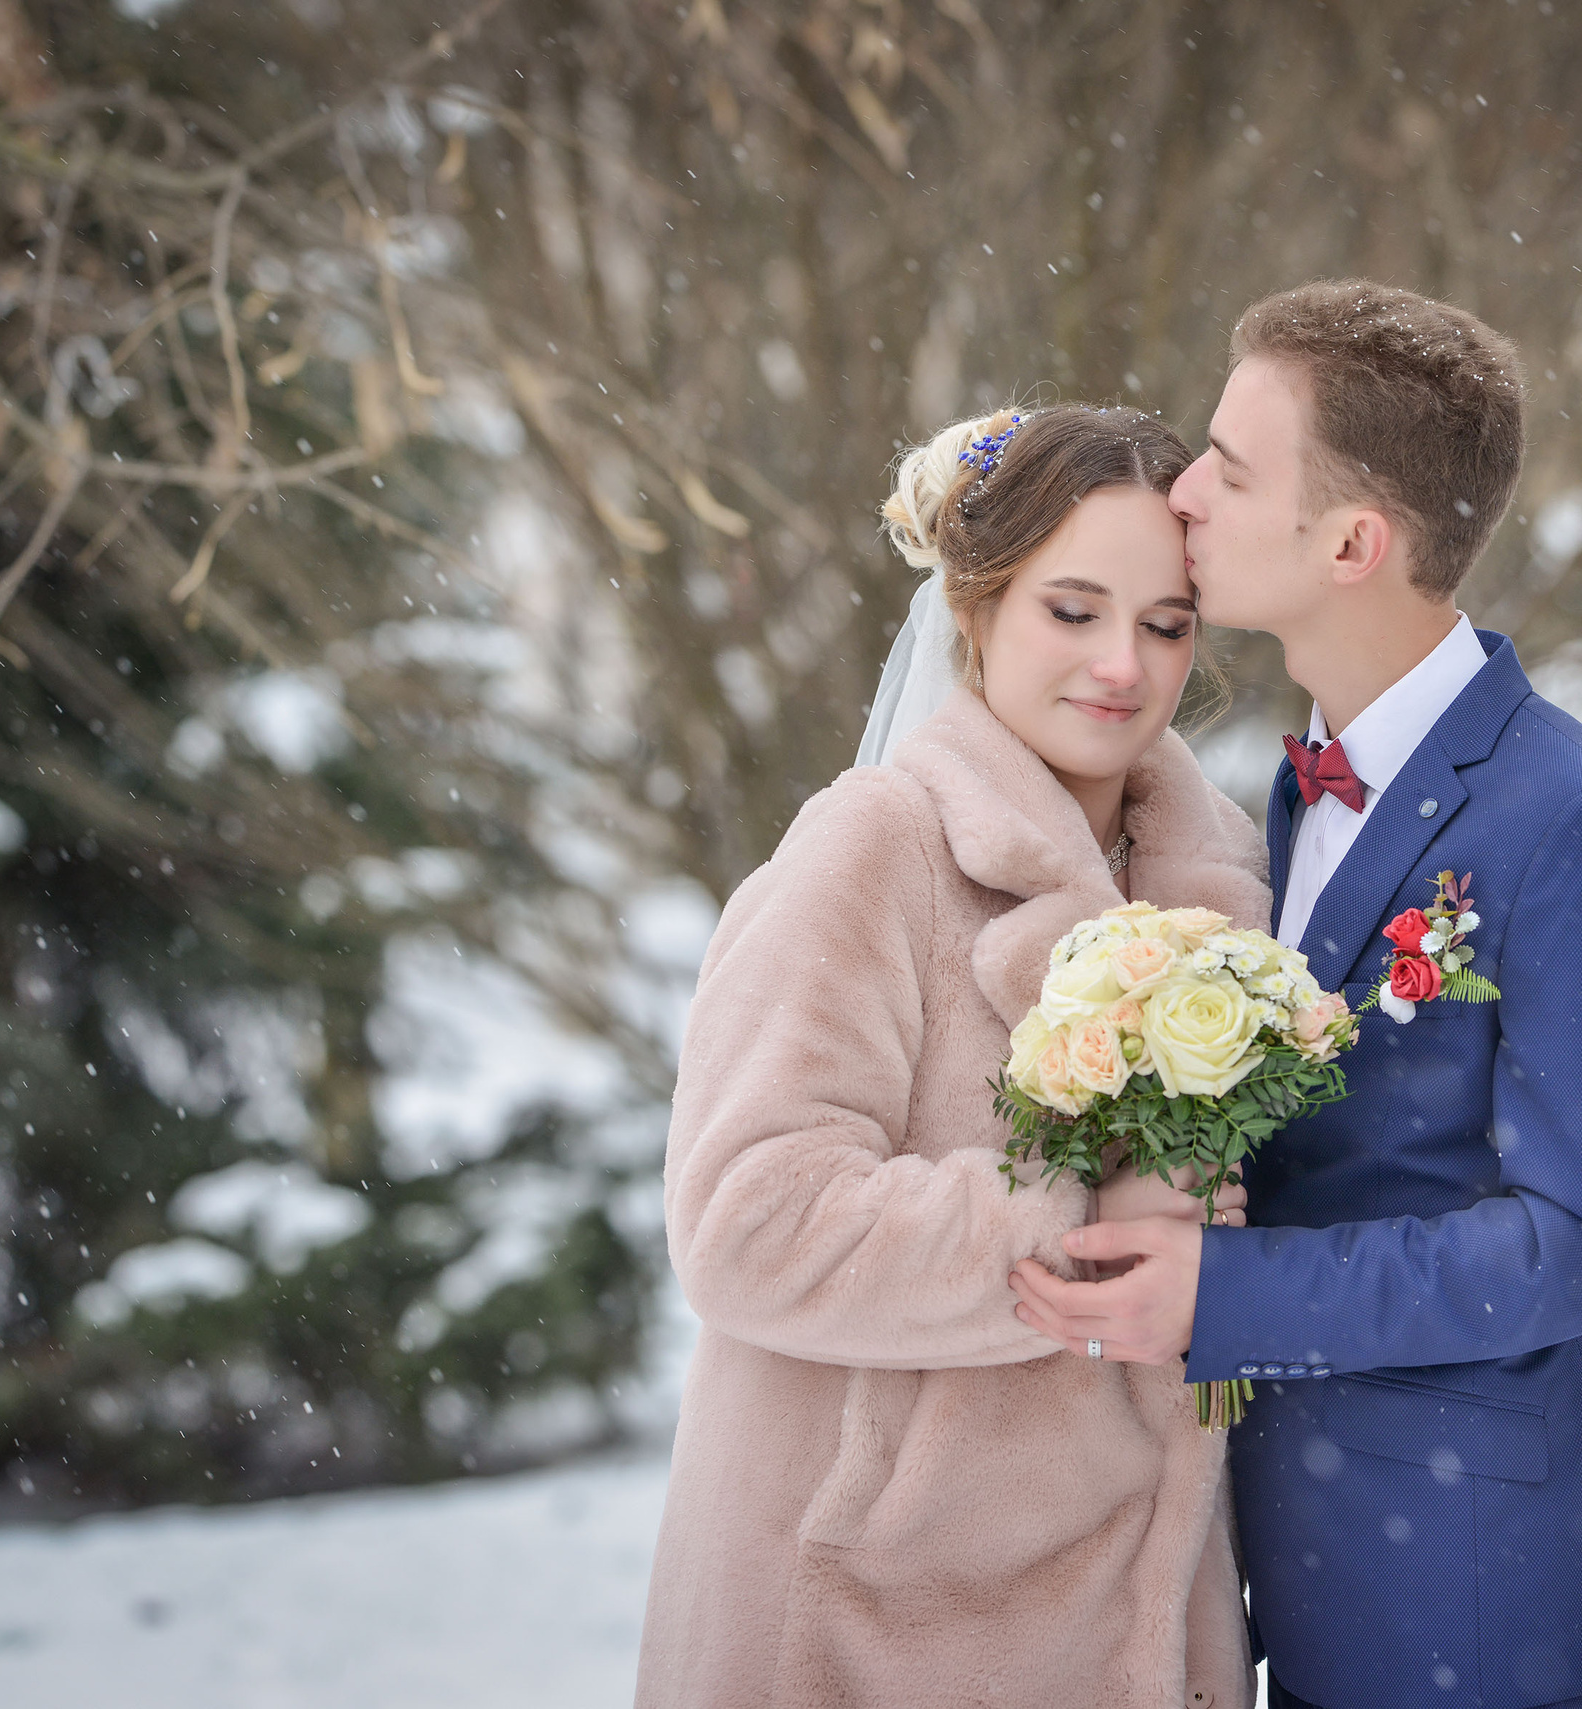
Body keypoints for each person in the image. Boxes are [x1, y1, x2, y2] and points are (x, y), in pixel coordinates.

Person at [1010, 282, 1582, 1709]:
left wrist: (1228, 1295)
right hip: (1306, 1574)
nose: (1185, 493)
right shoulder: (1292, 788)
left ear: (1351, 545)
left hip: (1480, 1598)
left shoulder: (1580, 821)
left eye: (1230, 467)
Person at [635, 405, 1268, 1709]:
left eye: (1166, 624)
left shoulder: (1226, 885)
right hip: (875, 1615)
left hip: (1138, 1611)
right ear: (976, 607)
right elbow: (747, 1218)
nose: (1123, 665)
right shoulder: (873, 849)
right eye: (1073, 610)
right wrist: (1076, 1219)